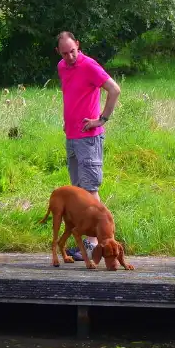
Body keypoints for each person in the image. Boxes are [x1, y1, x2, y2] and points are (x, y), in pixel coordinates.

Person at [55, 31, 121, 259]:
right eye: (65, 53)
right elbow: (71, 96)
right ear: (59, 52)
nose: (70, 57)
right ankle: (86, 242)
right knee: (78, 192)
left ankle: (96, 243)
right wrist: (67, 122)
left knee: (90, 189)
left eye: (72, 51)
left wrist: (101, 120)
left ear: (78, 46)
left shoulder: (90, 65)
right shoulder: (62, 67)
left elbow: (114, 89)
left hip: (89, 137)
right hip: (72, 137)